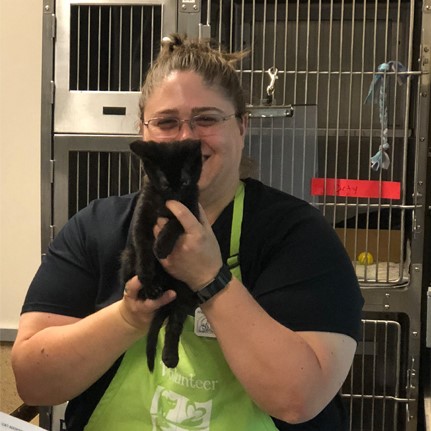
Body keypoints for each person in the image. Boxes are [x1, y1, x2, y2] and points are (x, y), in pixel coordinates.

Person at [12, 34, 363, 430]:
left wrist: (210, 279)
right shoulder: (97, 227)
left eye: (207, 119)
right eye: (166, 122)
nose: (186, 139)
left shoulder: (297, 236)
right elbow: (33, 382)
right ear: (143, 132)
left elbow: (299, 400)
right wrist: (128, 318)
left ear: (242, 126)